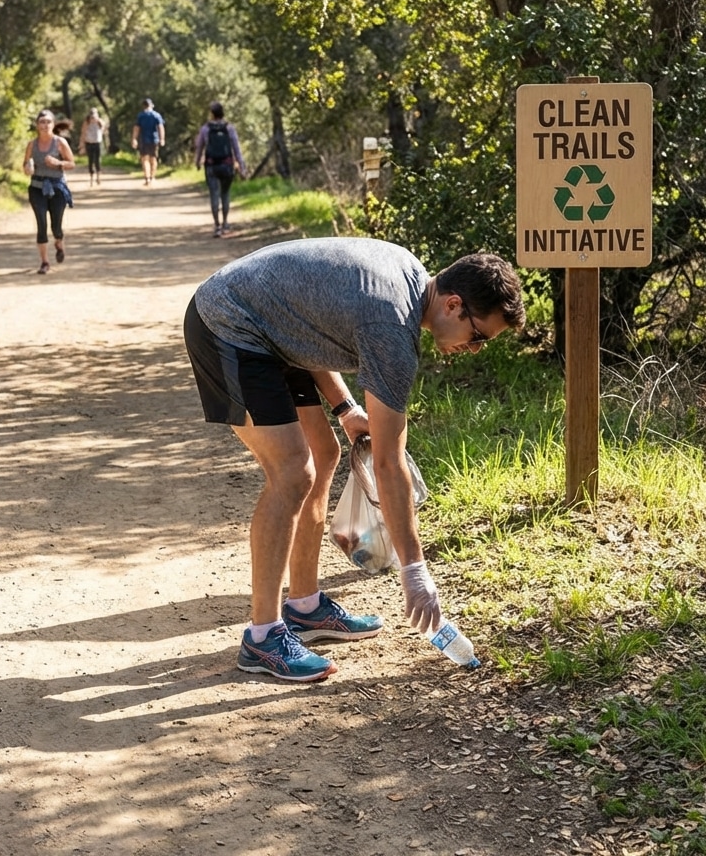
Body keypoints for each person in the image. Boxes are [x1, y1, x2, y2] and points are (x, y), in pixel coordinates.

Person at [183, 239, 526, 682]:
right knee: (293, 470)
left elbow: (307, 322)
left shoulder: (409, 276)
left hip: (269, 328)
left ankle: (304, 607)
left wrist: (345, 409)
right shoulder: (393, 328)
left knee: (324, 454)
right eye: (478, 336)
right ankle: (262, 637)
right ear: (454, 304)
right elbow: (388, 463)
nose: (476, 348)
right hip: (226, 322)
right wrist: (414, 571)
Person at [24, 109, 75, 274]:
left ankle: (59, 242)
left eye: (48, 122)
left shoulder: (60, 142)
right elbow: (25, 165)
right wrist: (28, 168)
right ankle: (45, 262)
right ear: (37, 125)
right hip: (37, 188)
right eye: (42, 122)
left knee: (56, 226)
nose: (45, 125)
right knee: (41, 224)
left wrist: (57, 163)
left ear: (53, 125)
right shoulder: (32, 145)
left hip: (57, 188)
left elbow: (71, 163)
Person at [193, 101, 245, 237]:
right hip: (227, 165)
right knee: (225, 194)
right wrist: (242, 167)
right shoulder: (229, 128)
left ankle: (217, 226)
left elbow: (199, 147)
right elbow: (236, 149)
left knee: (214, 195)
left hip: (211, 166)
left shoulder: (206, 129)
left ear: (212, 114)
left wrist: (197, 161)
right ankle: (225, 223)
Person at [131, 98, 165, 186]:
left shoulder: (141, 116)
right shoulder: (156, 115)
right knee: (153, 159)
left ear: (143, 106)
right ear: (152, 105)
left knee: (144, 159)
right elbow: (160, 127)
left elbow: (136, 128)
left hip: (143, 140)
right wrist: (162, 139)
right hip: (154, 139)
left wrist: (134, 139)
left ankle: (147, 178)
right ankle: (152, 177)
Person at [79, 108, 106, 185]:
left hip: (97, 143)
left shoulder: (100, 122)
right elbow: (83, 133)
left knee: (97, 160)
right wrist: (82, 144)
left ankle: (98, 176)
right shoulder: (86, 122)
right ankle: (91, 177)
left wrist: (98, 121)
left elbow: (103, 130)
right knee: (90, 160)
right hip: (89, 143)